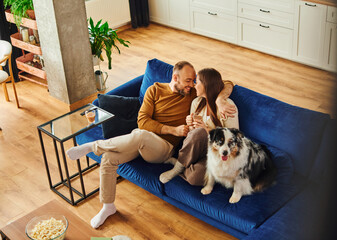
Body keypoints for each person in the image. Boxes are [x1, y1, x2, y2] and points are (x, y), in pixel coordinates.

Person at [66, 61, 236, 228]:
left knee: (140, 136)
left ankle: (93, 146)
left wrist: (220, 99)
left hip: (162, 149)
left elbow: (224, 83)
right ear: (175, 77)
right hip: (139, 141)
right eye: (187, 81)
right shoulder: (154, 90)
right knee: (109, 158)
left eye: (193, 81)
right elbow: (142, 121)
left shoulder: (191, 94)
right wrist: (173, 130)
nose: (191, 85)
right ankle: (107, 206)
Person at [159, 68, 239, 186]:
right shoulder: (196, 103)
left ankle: (182, 163)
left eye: (197, 81)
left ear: (206, 85)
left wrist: (207, 131)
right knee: (198, 133)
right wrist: (191, 125)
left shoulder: (227, 106)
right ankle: (177, 168)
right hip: (198, 150)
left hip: (217, 155)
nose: (194, 85)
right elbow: (193, 137)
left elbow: (235, 140)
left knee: (195, 178)